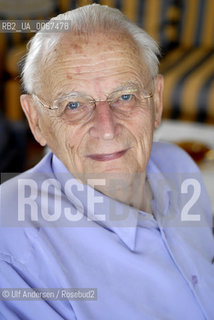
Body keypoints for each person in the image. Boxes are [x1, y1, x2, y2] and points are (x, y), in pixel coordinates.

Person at [0, 4, 213, 320]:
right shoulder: (11, 248)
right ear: (36, 120)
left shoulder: (177, 164)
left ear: (156, 101)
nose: (107, 128)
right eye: (73, 104)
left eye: (125, 96)